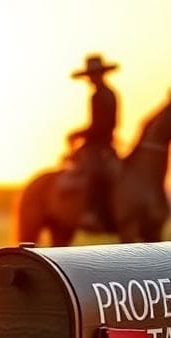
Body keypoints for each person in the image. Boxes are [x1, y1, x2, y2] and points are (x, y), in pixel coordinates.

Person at [67, 54, 120, 230]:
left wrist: (78, 135)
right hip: (107, 143)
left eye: (93, 75)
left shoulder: (98, 96)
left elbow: (97, 125)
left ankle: (90, 213)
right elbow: (112, 124)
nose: (91, 79)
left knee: (94, 173)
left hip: (97, 145)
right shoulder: (111, 93)